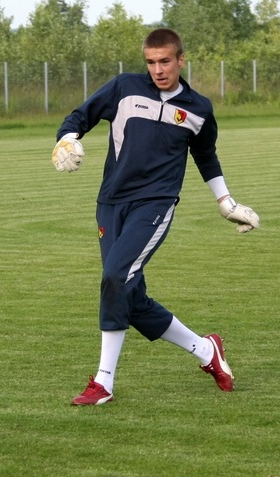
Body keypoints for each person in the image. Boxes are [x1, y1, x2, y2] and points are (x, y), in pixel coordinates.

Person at [51, 28, 260, 405]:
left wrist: (225, 202)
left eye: (165, 61)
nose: (158, 70)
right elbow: (80, 117)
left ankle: (104, 382)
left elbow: (206, 157)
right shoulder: (124, 88)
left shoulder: (198, 108)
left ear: (180, 60)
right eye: (151, 62)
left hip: (155, 205)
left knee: (116, 277)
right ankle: (206, 350)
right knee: (129, 296)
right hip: (110, 202)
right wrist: (66, 139)